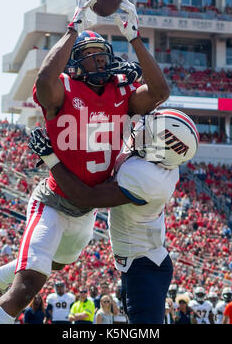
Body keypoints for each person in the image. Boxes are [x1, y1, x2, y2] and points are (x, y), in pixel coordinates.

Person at [0, 0, 169, 324]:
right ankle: (5, 287)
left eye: (103, 54)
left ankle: (1, 274)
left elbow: (160, 92)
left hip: (85, 213)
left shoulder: (121, 91)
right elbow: (43, 79)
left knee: (57, 262)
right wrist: (73, 29)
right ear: (74, 61)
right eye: (91, 55)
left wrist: (135, 38)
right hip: (54, 201)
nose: (100, 60)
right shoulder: (62, 89)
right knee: (27, 288)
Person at [27, 108, 199, 323]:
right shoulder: (158, 163)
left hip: (144, 266)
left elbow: (85, 197)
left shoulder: (148, 177)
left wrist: (51, 158)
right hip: (139, 263)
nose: (140, 129)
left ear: (161, 148)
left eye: (149, 132)